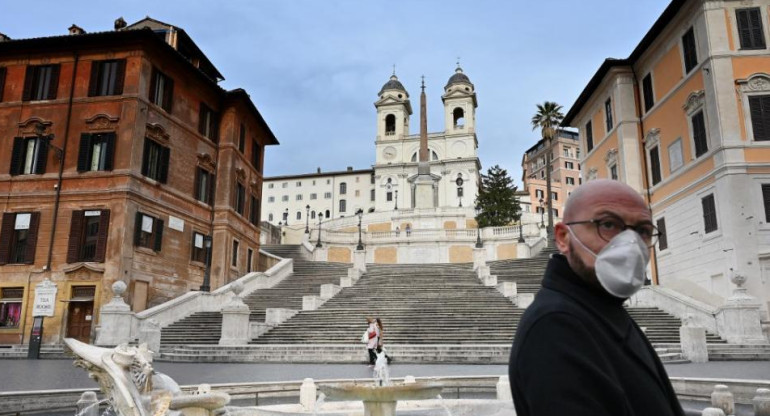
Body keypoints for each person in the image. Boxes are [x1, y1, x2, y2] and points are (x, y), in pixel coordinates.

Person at [508, 179, 684, 416]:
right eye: (608, 224)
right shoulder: (554, 327)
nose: (630, 244)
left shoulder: (602, 308)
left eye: (642, 230)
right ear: (562, 237)